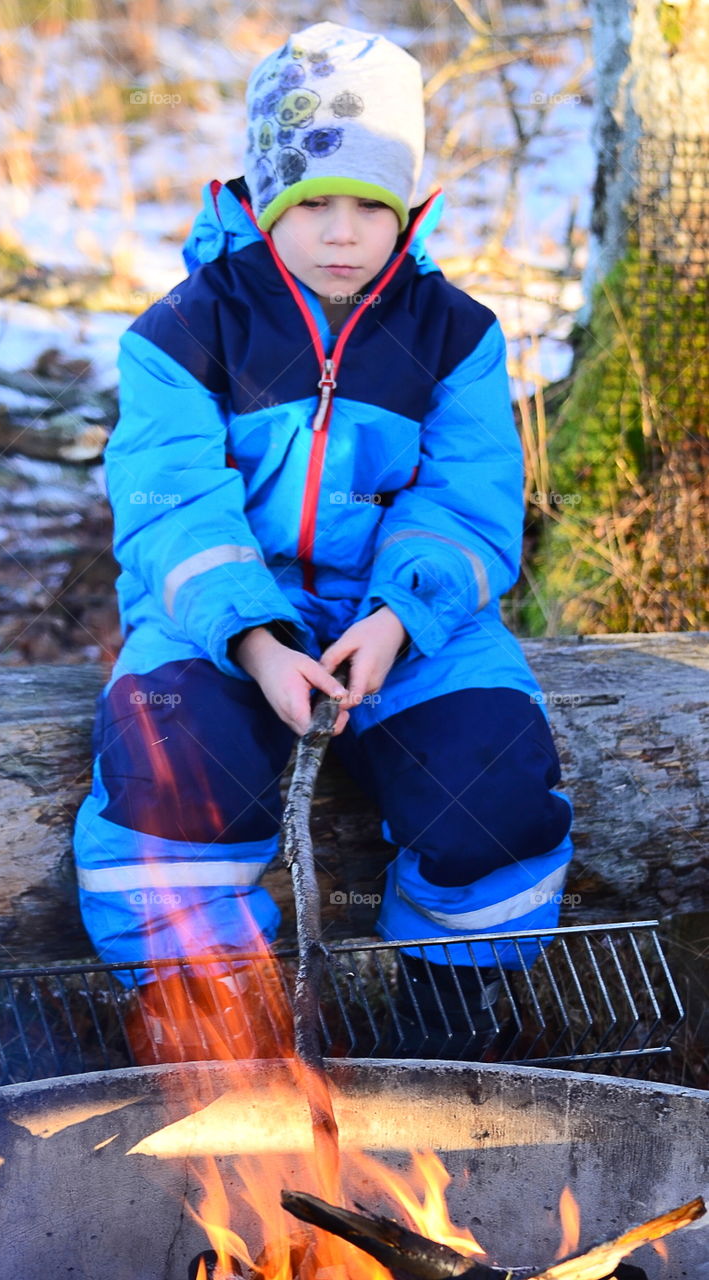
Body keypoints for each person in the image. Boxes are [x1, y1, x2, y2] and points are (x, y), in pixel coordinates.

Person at [72, 20, 573, 1061]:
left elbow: (468, 500)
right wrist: (254, 639)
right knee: (171, 768)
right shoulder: (185, 329)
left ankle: (445, 1016)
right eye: (312, 205)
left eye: (369, 205)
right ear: (262, 199)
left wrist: (397, 620)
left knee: (495, 781)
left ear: (408, 208)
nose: (341, 233)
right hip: (217, 611)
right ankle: (209, 1019)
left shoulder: (456, 334)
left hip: (408, 610)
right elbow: (172, 504)